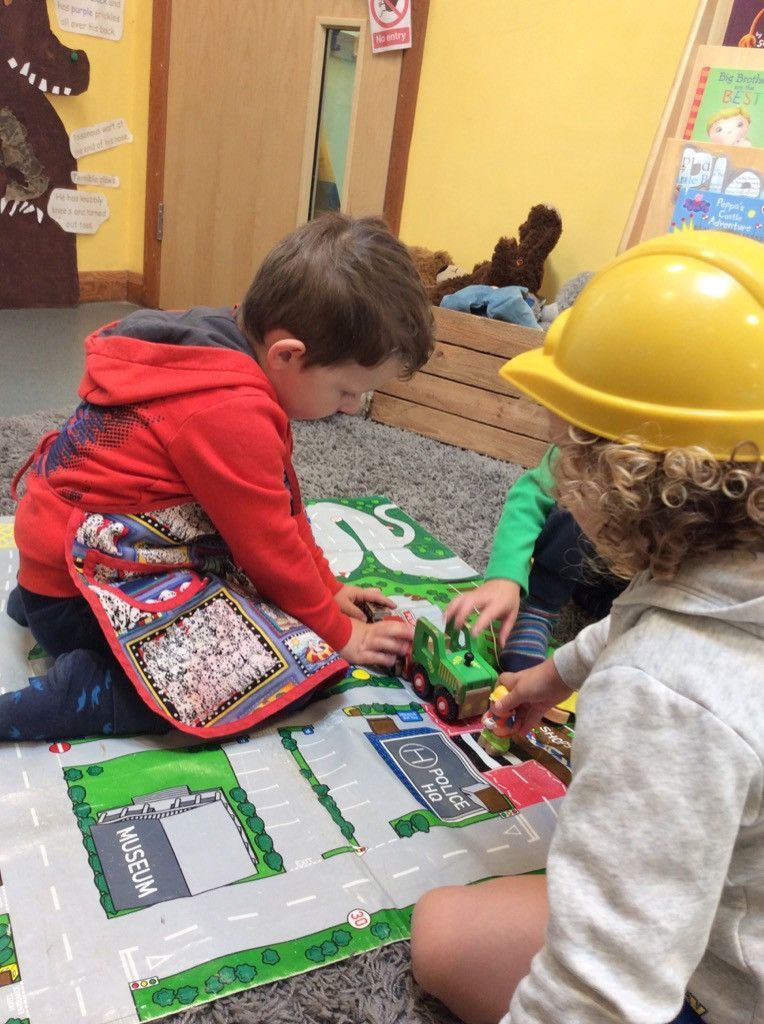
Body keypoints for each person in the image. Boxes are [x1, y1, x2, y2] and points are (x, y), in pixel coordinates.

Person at [410, 230, 764, 1024]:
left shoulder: (666, 694)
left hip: (722, 987)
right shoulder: (727, 581)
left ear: (613, 473)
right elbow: (650, 620)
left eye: (562, 448)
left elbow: (598, 997)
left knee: (442, 933)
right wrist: (556, 673)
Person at [5, 213, 433, 740]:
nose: (348, 409)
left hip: (56, 548)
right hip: (74, 589)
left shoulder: (213, 339)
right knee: (276, 668)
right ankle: (88, 690)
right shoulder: (229, 411)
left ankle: (38, 596)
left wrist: (327, 588)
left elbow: (282, 504)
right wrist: (337, 631)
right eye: (346, 390)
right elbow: (268, 548)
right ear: (287, 355)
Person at [446, 447, 623, 674]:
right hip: (580, 570)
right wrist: (505, 577)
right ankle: (539, 608)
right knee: (578, 494)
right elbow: (531, 498)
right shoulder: (581, 446)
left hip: (639, 591)